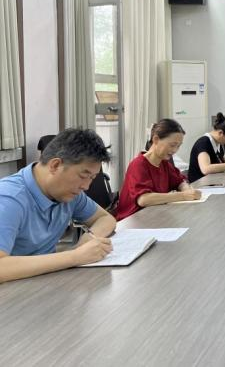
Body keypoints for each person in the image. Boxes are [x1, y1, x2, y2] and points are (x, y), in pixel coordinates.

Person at [0, 129, 115, 283]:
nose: (86, 186)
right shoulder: (8, 199)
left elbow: (105, 218)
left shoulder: (70, 194)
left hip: (46, 282)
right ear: (55, 165)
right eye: (83, 176)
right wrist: (75, 256)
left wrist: (91, 237)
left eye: (92, 178)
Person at [115, 119, 201, 221]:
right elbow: (143, 199)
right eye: (172, 145)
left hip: (154, 216)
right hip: (132, 220)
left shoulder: (164, 163)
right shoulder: (138, 165)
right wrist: (183, 196)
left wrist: (186, 189)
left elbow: (180, 181)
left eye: (178, 146)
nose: (175, 150)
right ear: (156, 139)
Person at [187, 113, 225, 183]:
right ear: (220, 133)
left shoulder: (217, 142)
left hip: (212, 180)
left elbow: (218, 159)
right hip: (200, 184)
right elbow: (206, 169)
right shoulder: (203, 143)